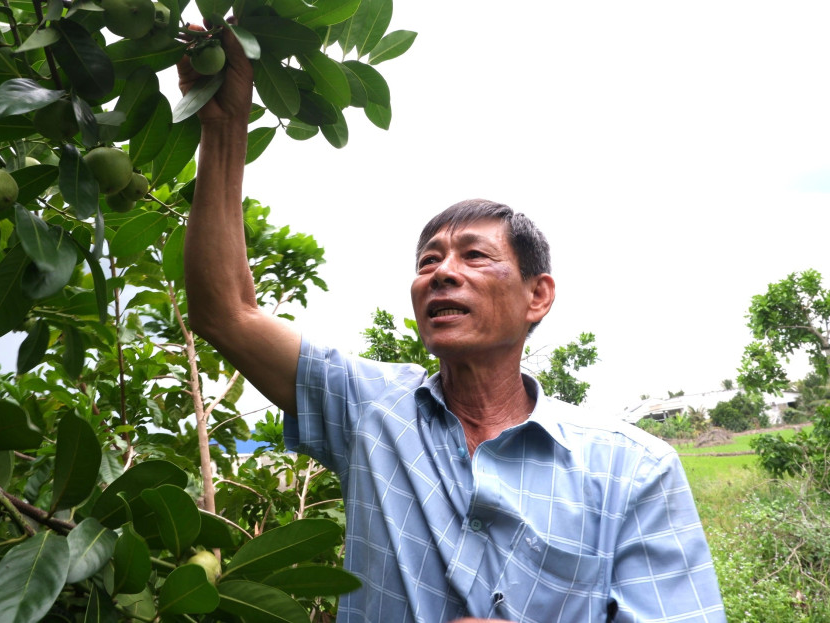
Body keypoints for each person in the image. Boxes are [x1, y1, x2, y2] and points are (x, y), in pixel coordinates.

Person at [179, 28, 727, 623]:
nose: (442, 272)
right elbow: (224, 311)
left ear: (537, 295)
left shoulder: (632, 467)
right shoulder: (369, 409)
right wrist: (224, 127)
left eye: (474, 256)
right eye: (428, 261)